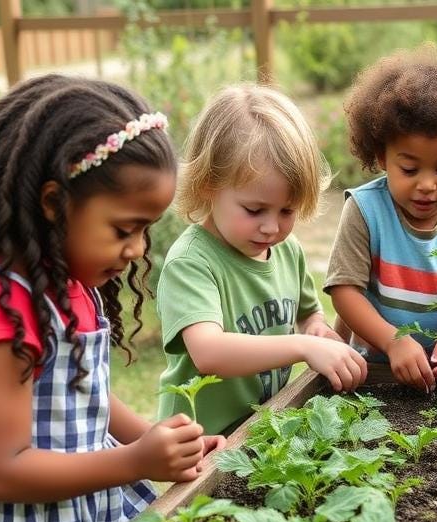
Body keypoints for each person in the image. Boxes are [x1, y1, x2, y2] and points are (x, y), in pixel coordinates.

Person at [0, 74, 223, 522]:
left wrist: (154, 439)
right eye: (125, 229)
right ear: (53, 203)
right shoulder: (2, 308)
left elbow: (83, 398)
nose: (136, 248)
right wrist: (134, 462)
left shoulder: (69, 284)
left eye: (145, 231)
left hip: (69, 500)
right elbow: (5, 470)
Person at [157, 84, 367, 437]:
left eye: (287, 210)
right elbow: (209, 352)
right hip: (203, 443)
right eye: (254, 210)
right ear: (209, 184)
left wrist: (317, 330)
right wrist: (304, 346)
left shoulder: (288, 250)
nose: (272, 227)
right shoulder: (191, 262)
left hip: (263, 428)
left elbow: (307, 314)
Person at [325, 45, 437, 394]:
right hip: (373, 374)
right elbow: (344, 290)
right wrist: (394, 341)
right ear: (381, 156)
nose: (426, 185)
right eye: (408, 168)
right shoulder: (365, 210)